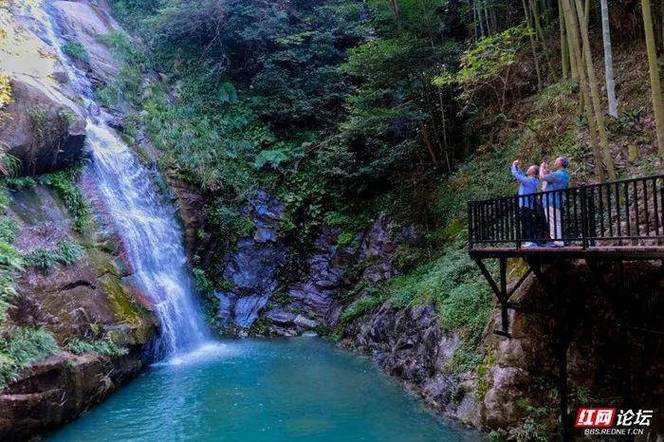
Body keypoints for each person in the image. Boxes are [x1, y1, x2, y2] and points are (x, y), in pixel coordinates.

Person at [540, 156, 571, 247]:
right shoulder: (564, 175)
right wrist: (547, 170)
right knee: (556, 221)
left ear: (560, 163)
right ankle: (558, 240)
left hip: (550, 200)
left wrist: (541, 167)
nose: (555, 161)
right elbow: (551, 176)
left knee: (552, 221)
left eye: (556, 160)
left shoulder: (558, 174)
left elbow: (542, 177)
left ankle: (556, 241)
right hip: (557, 200)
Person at [511, 160, 540, 247]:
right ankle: (531, 241)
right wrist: (517, 167)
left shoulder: (530, 181)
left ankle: (530, 242)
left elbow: (517, 175)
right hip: (527, 206)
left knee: (527, 224)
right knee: (527, 223)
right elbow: (522, 175)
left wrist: (513, 165)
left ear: (533, 173)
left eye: (530, 168)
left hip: (525, 205)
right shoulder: (532, 180)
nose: (528, 169)